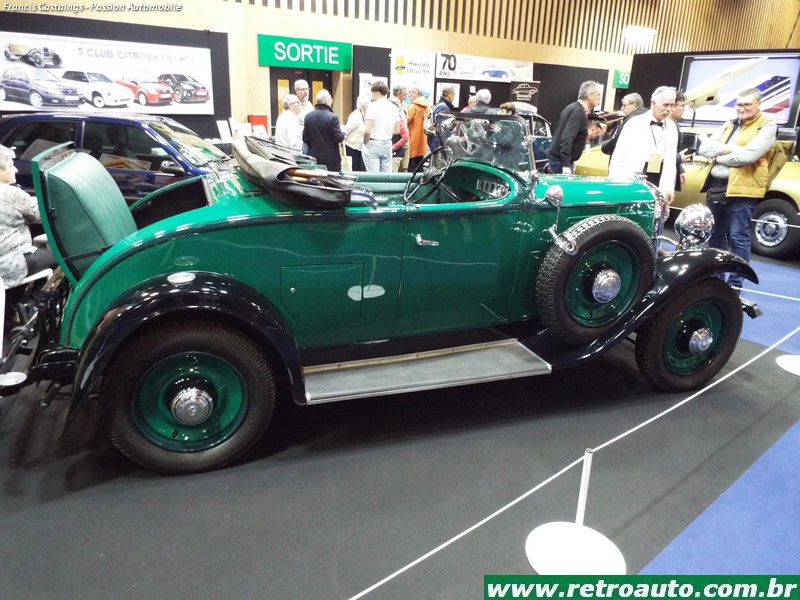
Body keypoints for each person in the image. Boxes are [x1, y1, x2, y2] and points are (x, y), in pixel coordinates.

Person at [697, 87, 777, 291]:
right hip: (716, 186)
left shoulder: (767, 125)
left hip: (743, 189)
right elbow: (704, 148)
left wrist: (719, 157)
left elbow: (748, 156)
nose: (741, 108)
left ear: (758, 104)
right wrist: (730, 149)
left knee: (738, 237)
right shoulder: (729, 124)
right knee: (715, 235)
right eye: (739, 104)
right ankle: (716, 278)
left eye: (747, 104)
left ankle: (734, 285)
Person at [609, 86, 679, 203]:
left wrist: (670, 187)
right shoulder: (634, 123)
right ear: (653, 103)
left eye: (672, 105)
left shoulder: (672, 127)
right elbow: (618, 156)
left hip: (659, 179)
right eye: (665, 105)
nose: (669, 109)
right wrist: (614, 183)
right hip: (634, 178)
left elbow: (672, 160)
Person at [0, 144, 56, 289]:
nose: (16, 169)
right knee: (62, 260)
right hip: (9, 264)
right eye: (11, 165)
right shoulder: (11, 194)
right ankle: (35, 299)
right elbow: (41, 215)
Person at [546, 80, 602, 174]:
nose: (599, 98)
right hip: (561, 163)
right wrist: (566, 164)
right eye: (598, 94)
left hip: (558, 161)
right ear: (590, 96)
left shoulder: (572, 108)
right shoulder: (578, 112)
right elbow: (567, 137)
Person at [302, 89, 345, 172]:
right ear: (326, 102)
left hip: (314, 157)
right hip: (332, 158)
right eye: (330, 100)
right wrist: (343, 134)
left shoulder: (308, 116)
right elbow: (338, 138)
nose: (331, 102)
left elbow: (305, 138)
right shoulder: (333, 117)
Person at [363, 81, 401, 173]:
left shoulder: (372, 107)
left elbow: (367, 130)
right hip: (388, 143)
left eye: (372, 93)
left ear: (377, 93)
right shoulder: (394, 107)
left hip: (373, 143)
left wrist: (364, 141)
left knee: (373, 176)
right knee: (386, 176)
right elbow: (397, 130)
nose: (372, 96)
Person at [342, 95, 370, 171]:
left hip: (359, 147)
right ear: (364, 105)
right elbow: (347, 130)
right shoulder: (355, 115)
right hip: (352, 147)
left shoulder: (363, 114)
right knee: (354, 168)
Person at [406, 87, 430, 172]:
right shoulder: (427, 107)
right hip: (423, 140)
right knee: (419, 166)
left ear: (416, 93)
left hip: (411, 139)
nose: (409, 95)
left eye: (411, 93)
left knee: (410, 167)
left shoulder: (412, 106)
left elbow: (406, 121)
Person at [669, 89, 689, 192]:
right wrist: (678, 157)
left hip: (671, 173)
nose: (684, 109)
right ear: (672, 106)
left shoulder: (675, 125)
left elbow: (674, 151)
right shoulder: (662, 125)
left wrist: (680, 169)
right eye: (682, 105)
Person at [428, 86, 456, 150]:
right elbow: (443, 129)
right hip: (439, 144)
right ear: (450, 94)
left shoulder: (438, 105)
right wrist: (446, 145)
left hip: (434, 141)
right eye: (454, 96)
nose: (453, 98)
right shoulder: (444, 107)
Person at [388, 96, 410, 172]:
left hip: (395, 153)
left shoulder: (399, 120)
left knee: (391, 175)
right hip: (389, 152)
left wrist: (393, 147)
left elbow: (405, 137)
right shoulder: (389, 119)